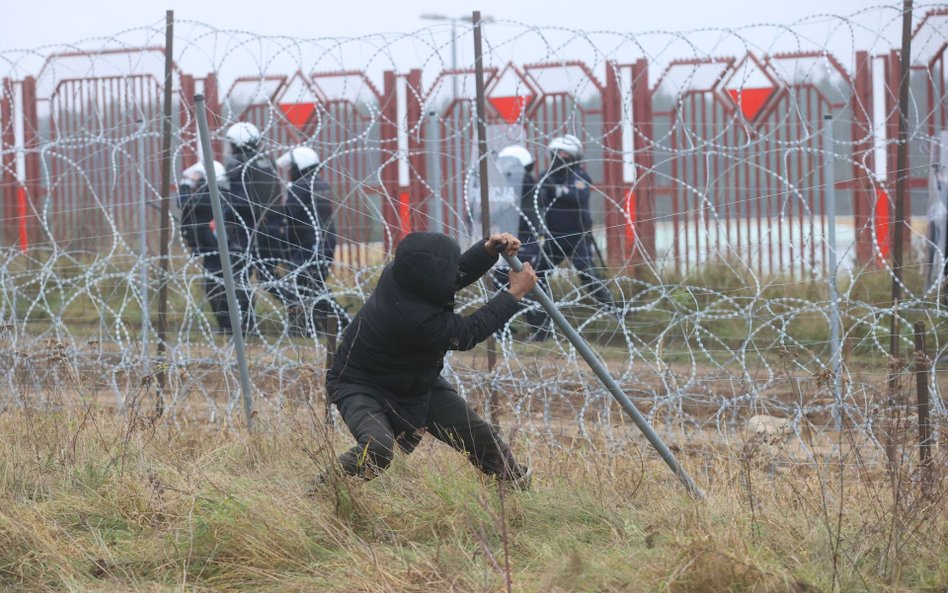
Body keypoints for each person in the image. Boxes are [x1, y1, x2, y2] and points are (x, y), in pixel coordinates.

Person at [325, 231, 536, 487]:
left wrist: (487, 250)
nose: (454, 271)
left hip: (413, 380)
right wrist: (513, 294)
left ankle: (516, 487)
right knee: (378, 447)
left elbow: (449, 275)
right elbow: (467, 333)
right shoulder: (416, 319)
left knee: (480, 437)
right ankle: (323, 491)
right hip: (359, 384)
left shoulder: (401, 274)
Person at [528, 135, 617, 340]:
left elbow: (578, 196)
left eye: (565, 154)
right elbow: (537, 199)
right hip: (554, 238)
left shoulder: (580, 176)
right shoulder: (545, 176)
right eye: (557, 154)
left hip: (578, 238)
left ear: (574, 157)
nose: (560, 158)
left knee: (589, 275)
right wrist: (551, 188)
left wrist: (556, 190)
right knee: (536, 276)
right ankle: (542, 327)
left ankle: (615, 315)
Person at [277, 146, 348, 336]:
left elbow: (290, 214)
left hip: (309, 245)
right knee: (313, 285)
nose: (290, 171)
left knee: (299, 286)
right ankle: (336, 323)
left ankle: (304, 328)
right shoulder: (320, 184)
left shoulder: (300, 186)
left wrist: (277, 229)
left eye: (292, 167)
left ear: (300, 165)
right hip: (324, 242)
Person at [224, 121, 283, 333]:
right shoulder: (266, 161)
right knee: (269, 278)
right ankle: (305, 313)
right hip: (270, 228)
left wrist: (224, 213)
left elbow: (238, 201)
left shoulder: (236, 164)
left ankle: (244, 325)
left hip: (245, 231)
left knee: (240, 277)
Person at [177, 160, 233, 333]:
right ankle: (231, 326)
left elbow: (184, 203)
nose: (197, 184)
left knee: (215, 287)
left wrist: (186, 184)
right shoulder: (221, 194)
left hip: (215, 251)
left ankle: (228, 326)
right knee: (221, 287)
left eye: (200, 180)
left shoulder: (210, 196)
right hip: (218, 248)